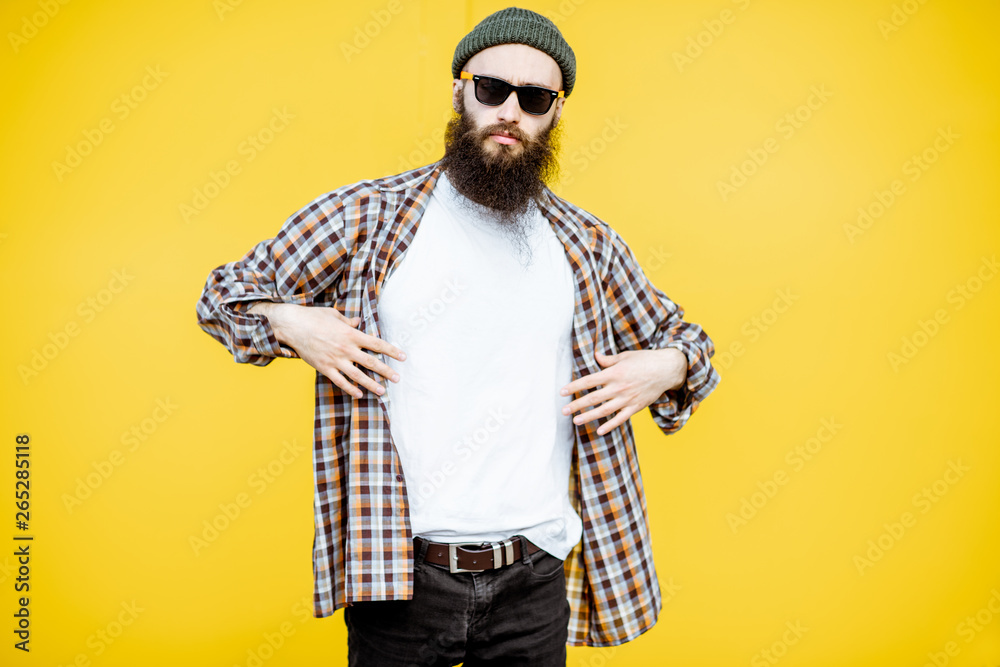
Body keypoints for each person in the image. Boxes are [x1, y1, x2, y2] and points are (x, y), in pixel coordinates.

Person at [196, 6, 720, 665]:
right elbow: (222, 295)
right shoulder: (369, 216)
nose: (510, 111)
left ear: (554, 113)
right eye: (492, 88)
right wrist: (291, 323)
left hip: (535, 577)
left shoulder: (586, 245)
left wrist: (665, 365)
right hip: (401, 574)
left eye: (534, 98)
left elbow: (691, 345)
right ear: (459, 90)